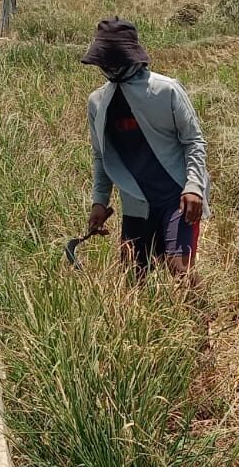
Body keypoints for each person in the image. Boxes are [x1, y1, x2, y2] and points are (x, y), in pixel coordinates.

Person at [82, 18, 209, 281]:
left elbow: (193, 141)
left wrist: (194, 186)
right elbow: (101, 156)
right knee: (133, 278)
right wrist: (99, 201)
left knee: (180, 273)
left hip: (177, 198)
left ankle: (202, 321)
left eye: (114, 60)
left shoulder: (166, 90)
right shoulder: (98, 102)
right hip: (136, 203)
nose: (109, 67)